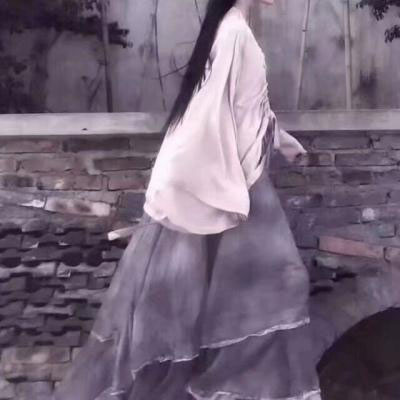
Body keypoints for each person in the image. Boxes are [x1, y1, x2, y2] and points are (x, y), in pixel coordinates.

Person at [52, 1, 322, 399]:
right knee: (272, 287)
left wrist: (282, 142)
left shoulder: (234, 29)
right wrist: (191, 179)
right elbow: (208, 111)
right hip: (236, 183)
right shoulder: (234, 31)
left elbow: (244, 106)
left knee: (238, 297)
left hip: (242, 177)